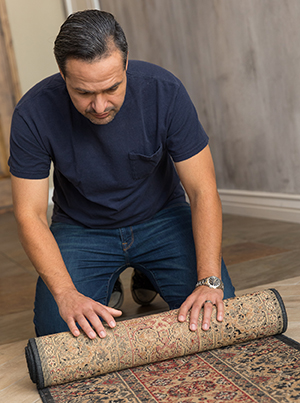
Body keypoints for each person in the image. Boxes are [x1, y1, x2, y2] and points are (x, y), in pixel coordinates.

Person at [8, 10, 235, 340]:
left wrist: (209, 280)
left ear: (126, 65)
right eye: (84, 92)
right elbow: (29, 215)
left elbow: (202, 191)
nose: (100, 106)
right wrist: (67, 293)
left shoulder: (164, 91)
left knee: (216, 314)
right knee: (58, 331)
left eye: (112, 88)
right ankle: (106, 277)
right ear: (62, 74)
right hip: (82, 229)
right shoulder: (33, 113)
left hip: (162, 218)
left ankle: (149, 273)